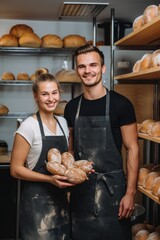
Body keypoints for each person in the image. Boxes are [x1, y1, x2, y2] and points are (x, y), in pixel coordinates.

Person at [64, 44, 140, 240]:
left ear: (103, 68)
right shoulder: (72, 108)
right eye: (82, 66)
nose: (87, 71)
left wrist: (130, 193)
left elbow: (132, 149)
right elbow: (71, 149)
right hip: (81, 192)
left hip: (113, 193)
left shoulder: (121, 104)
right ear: (77, 70)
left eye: (93, 65)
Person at [10, 69, 75, 240]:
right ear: (36, 96)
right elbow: (15, 169)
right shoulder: (28, 127)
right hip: (36, 208)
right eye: (45, 94)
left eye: (54, 93)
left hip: (61, 207)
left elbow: (65, 158)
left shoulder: (62, 123)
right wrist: (49, 179)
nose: (51, 98)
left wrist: (76, 171)